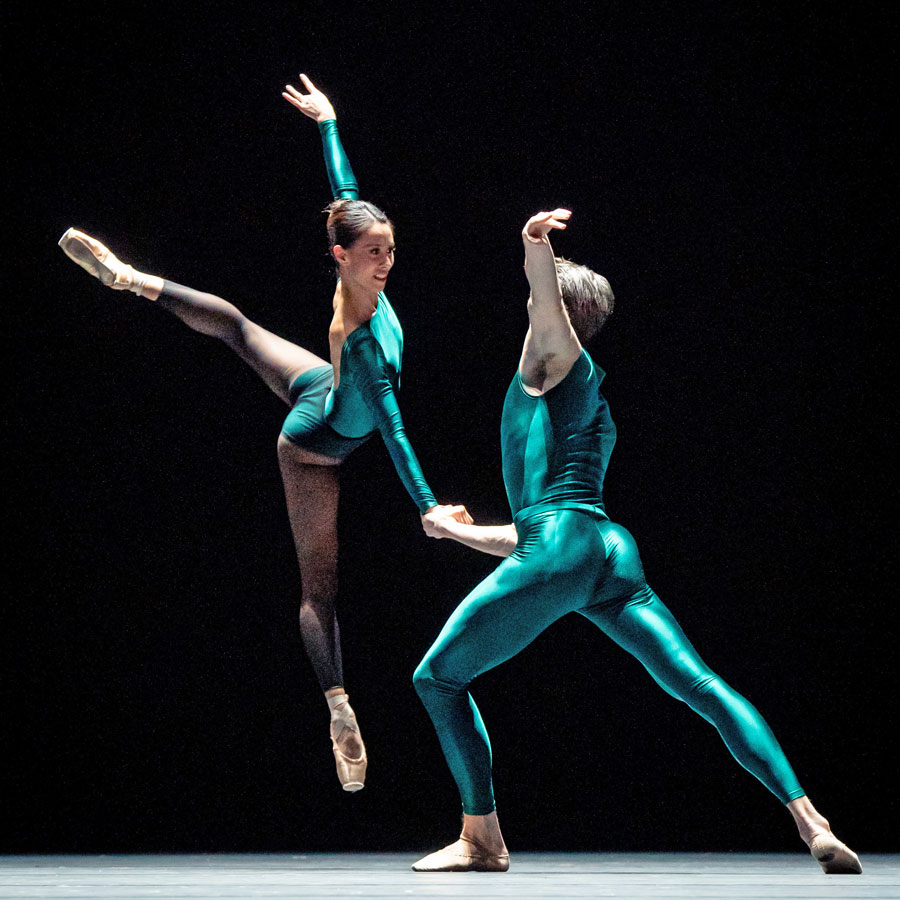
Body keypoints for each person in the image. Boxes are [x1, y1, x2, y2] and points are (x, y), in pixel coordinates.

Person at [411, 209, 861, 874]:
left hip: (567, 546)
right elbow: (545, 536)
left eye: (540, 301)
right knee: (701, 684)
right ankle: (812, 822)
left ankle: (482, 838)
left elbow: (547, 543)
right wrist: (457, 530)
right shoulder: (586, 403)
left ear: (554, 311)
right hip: (606, 551)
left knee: (438, 679)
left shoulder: (555, 362)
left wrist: (534, 244)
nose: (531, 307)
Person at [58, 74, 469, 794]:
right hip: (315, 441)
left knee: (242, 329)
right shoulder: (367, 337)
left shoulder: (358, 267)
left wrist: (329, 124)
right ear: (341, 257)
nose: (387, 259)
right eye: (374, 252)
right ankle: (339, 706)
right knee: (321, 586)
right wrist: (428, 505)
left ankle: (131, 280)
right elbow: (395, 433)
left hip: (323, 388)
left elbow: (345, 191)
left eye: (391, 249)